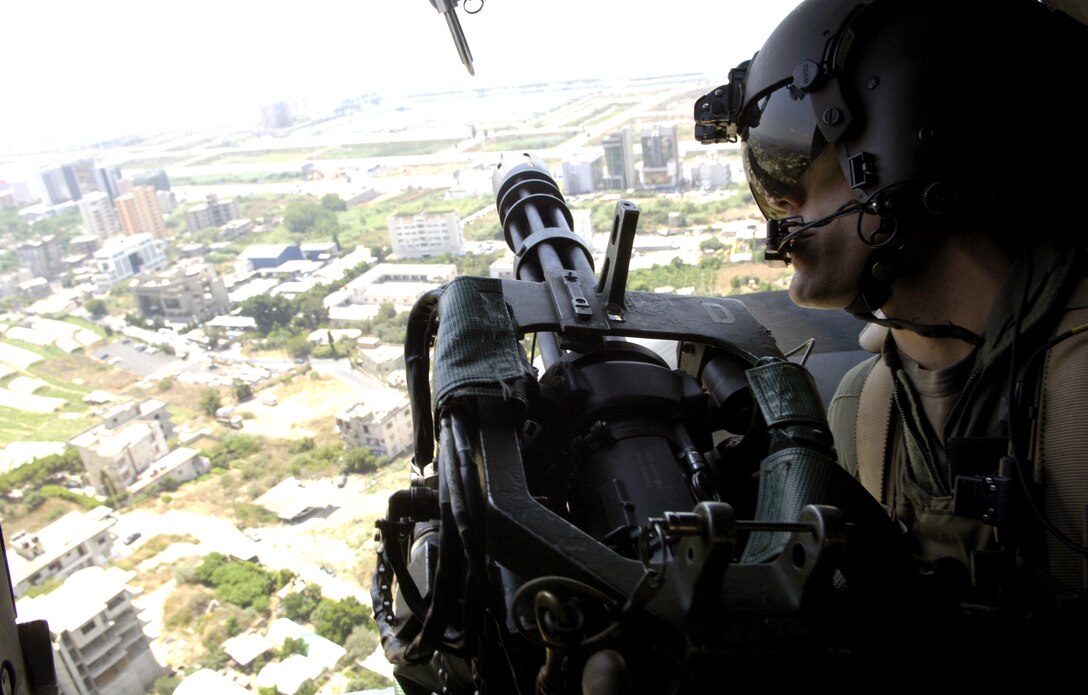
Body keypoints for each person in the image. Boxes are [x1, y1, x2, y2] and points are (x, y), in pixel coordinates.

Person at [696, 0, 1088, 665]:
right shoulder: (864, 409)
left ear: (907, 125)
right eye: (765, 169)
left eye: (791, 153)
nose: (779, 200)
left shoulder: (1079, 396)